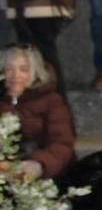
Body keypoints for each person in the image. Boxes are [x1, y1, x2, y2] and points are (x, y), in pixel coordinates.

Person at [0, 43, 74, 181]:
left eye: (23, 69)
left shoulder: (51, 100)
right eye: (9, 69)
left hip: (40, 171)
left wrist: (39, 165)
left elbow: (62, 143)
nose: (15, 75)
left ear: (34, 72)